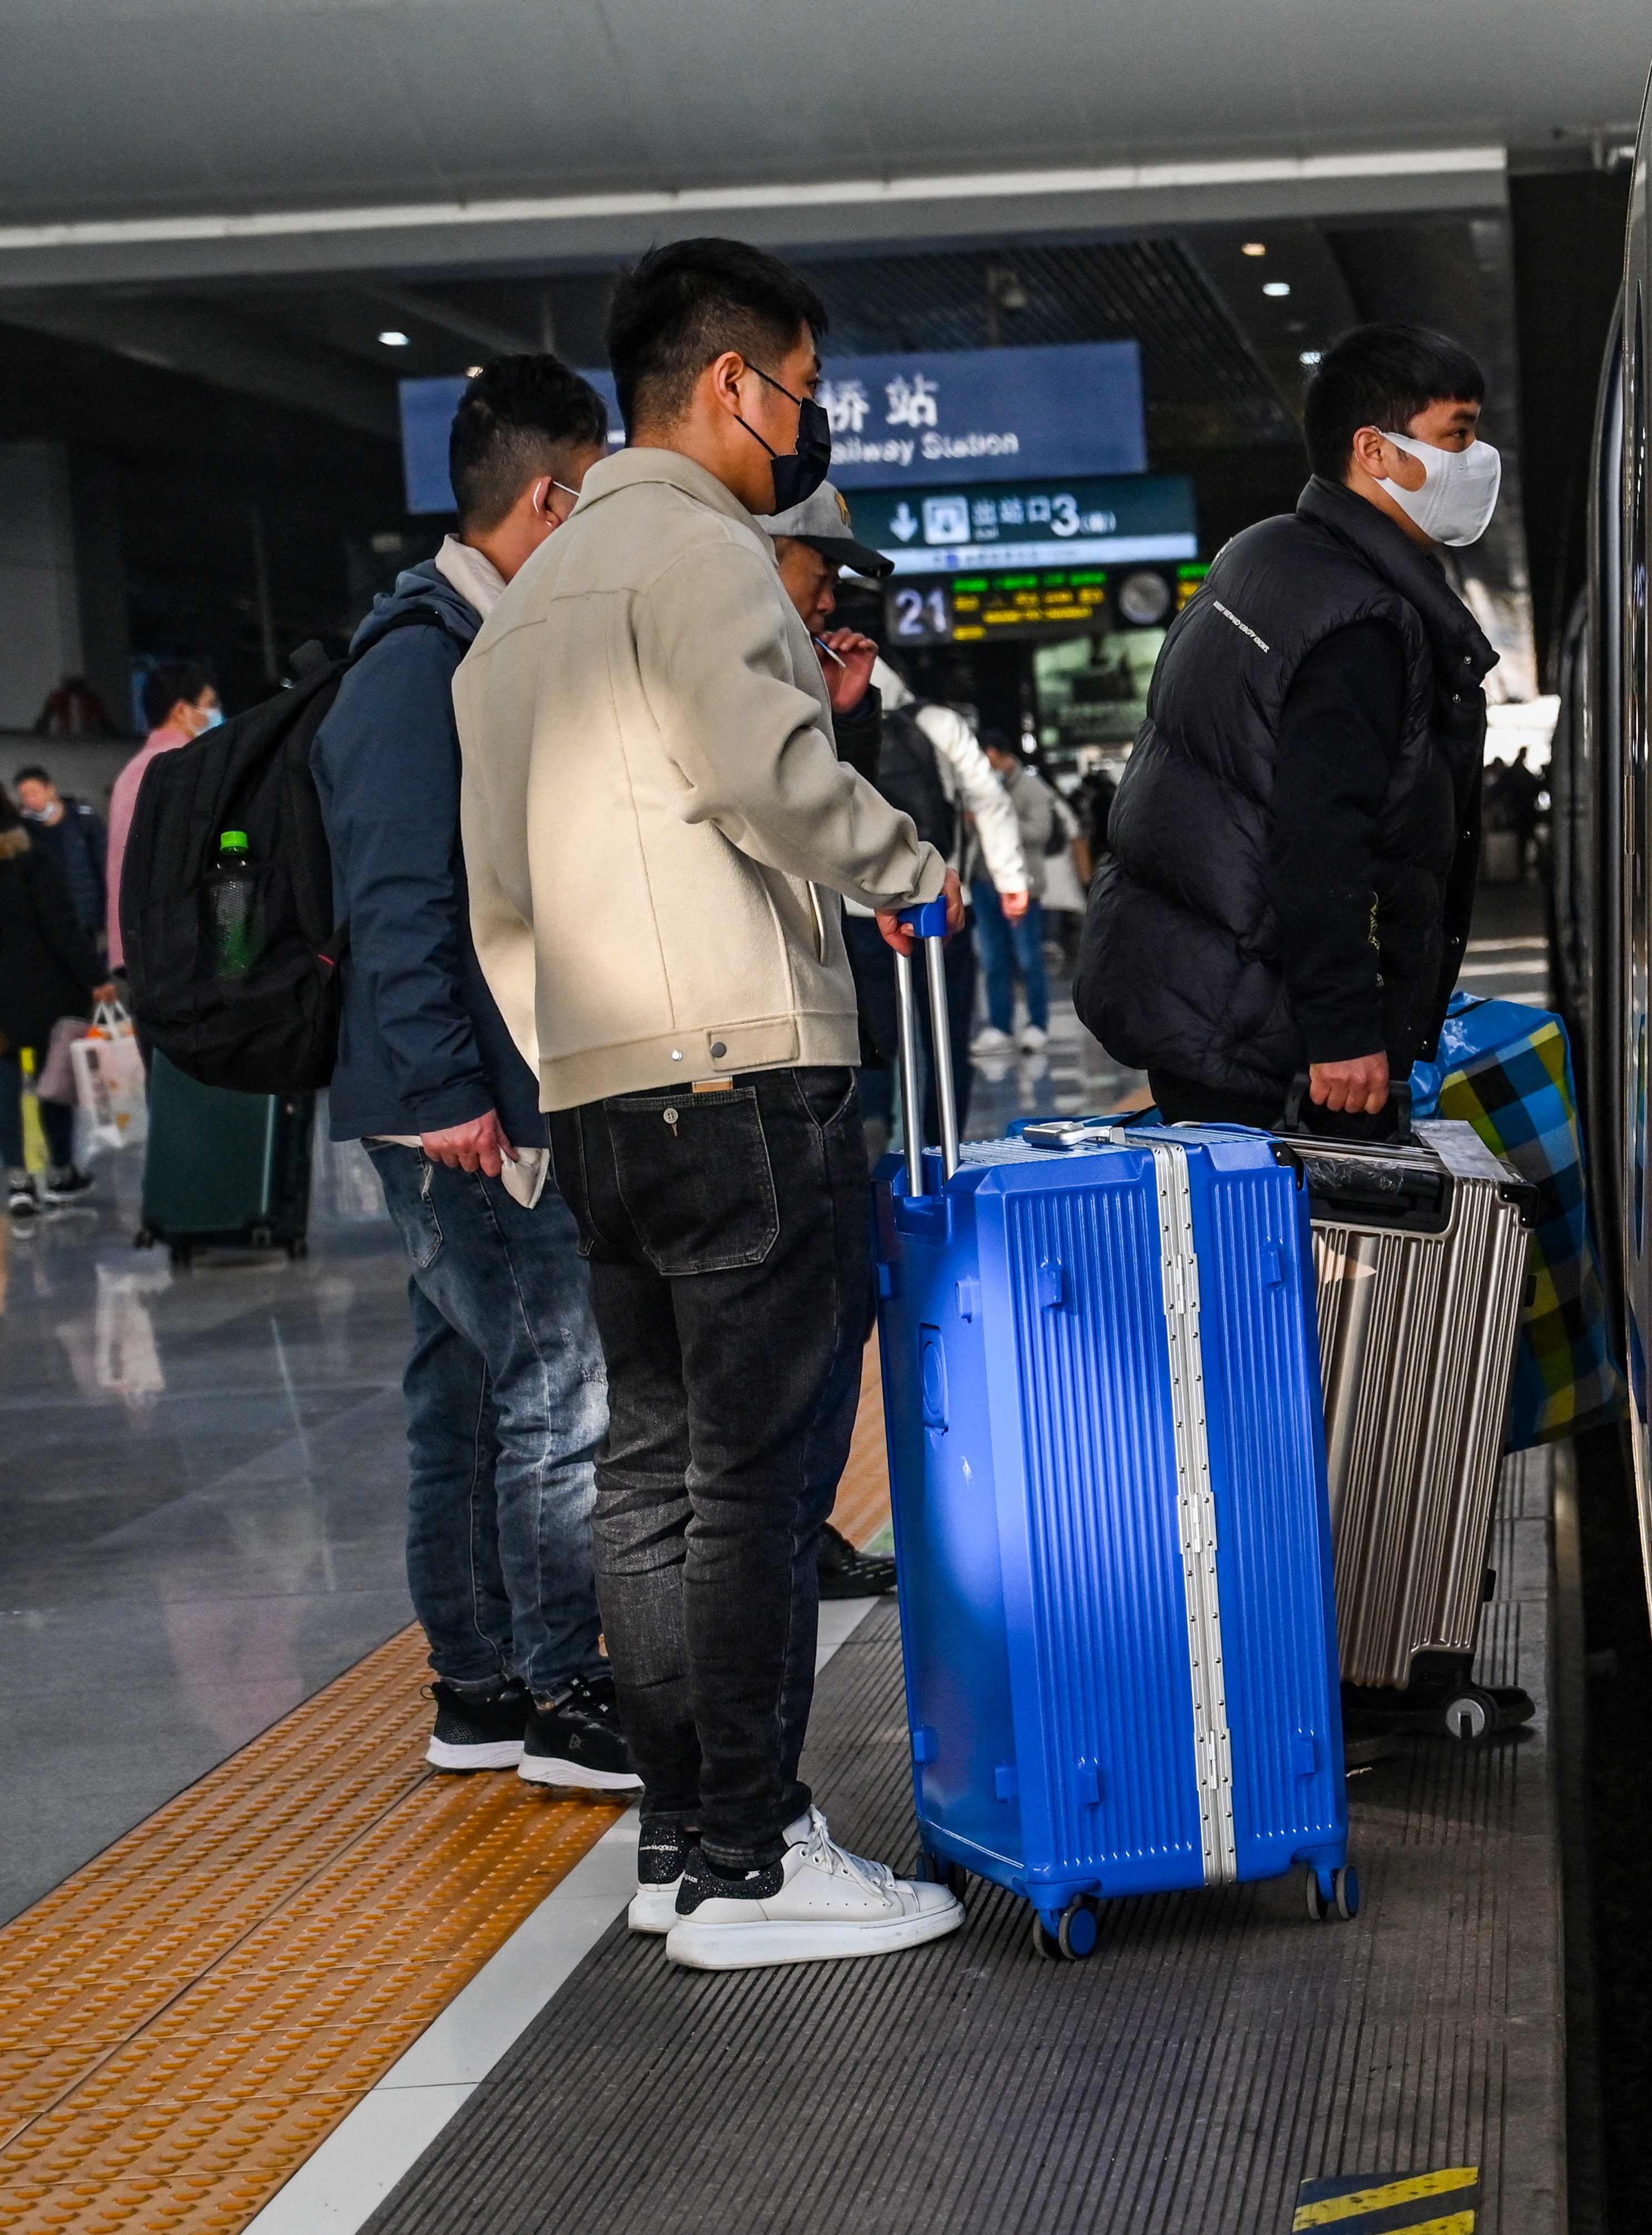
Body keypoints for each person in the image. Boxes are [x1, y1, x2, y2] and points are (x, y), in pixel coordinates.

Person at [455, 235, 966, 1971]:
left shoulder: (514, 610)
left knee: (650, 1477)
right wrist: (914, 866)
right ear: (735, 385)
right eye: (804, 392)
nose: (804, 427)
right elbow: (776, 777)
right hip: (748, 1076)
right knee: (753, 1485)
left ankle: (680, 1842)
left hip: (603, 1092)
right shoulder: (714, 557)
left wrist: (573, 1056)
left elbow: (496, 899)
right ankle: (754, 1859)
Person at [311, 357, 636, 1792]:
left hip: (468, 1093)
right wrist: (453, 1091)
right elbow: (396, 897)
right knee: (555, 1393)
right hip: (455, 1109)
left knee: (465, 1388)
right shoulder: (415, 664)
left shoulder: (470, 645)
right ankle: (562, 1692)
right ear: (548, 497)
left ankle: (483, 1686)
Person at [1082, 323, 1503, 1137]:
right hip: (1269, 1032)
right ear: (1374, 452)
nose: (1479, 457)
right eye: (1459, 433)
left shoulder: (1267, 557)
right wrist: (1344, 1030)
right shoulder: (1362, 620)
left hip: (1205, 993)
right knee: (1319, 1256)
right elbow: (1321, 837)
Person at [760, 486, 1026, 1604]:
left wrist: (847, 714)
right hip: (758, 1052)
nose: (834, 599)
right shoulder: (710, 651)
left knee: (830, 1314)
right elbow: (797, 821)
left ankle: (796, 1533)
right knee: (767, 1350)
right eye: (821, 574)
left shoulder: (813, 685)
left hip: (832, 1034)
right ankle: (763, 1563)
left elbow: (830, 810)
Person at [1, 818, 109, 1216]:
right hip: (44, 990)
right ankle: (61, 1171)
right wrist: (95, 977)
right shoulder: (30, 857)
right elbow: (62, 927)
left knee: (6, 1082)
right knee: (54, 1075)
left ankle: (19, 1181)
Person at [107, 660, 217, 973]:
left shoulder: (133, 770)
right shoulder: (184, 766)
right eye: (210, 705)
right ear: (182, 710)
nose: (214, 715)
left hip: (139, 950)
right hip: (179, 955)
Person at [969, 735, 1069, 1056]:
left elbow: (1041, 831)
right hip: (984, 884)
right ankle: (1000, 1027)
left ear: (996, 753)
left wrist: (997, 818)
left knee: (1029, 958)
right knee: (993, 958)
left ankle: (1037, 1024)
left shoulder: (1032, 788)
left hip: (1021, 886)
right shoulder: (979, 787)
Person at [16, 768, 107, 938]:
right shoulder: (23, 828)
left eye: (34, 792)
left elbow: (103, 864)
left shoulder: (83, 820)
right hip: (45, 916)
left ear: (50, 789)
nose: (30, 800)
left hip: (83, 913)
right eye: (24, 795)